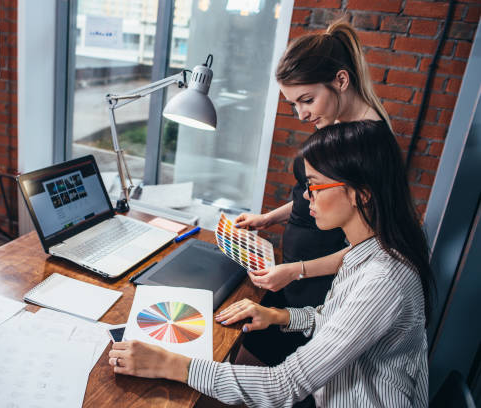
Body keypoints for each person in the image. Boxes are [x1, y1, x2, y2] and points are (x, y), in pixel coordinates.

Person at [108, 120, 433, 407]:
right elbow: (338, 321)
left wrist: (169, 364)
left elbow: (283, 386)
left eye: (315, 185)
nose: (307, 197)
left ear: (360, 194)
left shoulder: (384, 279)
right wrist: (278, 315)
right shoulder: (366, 250)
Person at [232, 19, 394, 373]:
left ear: (340, 80)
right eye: (293, 104)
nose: (301, 114)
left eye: (307, 100)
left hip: (315, 289)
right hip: (292, 277)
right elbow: (315, 195)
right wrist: (269, 218)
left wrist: (297, 271)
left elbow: (370, 247)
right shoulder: (338, 125)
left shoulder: (365, 144)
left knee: (256, 375)